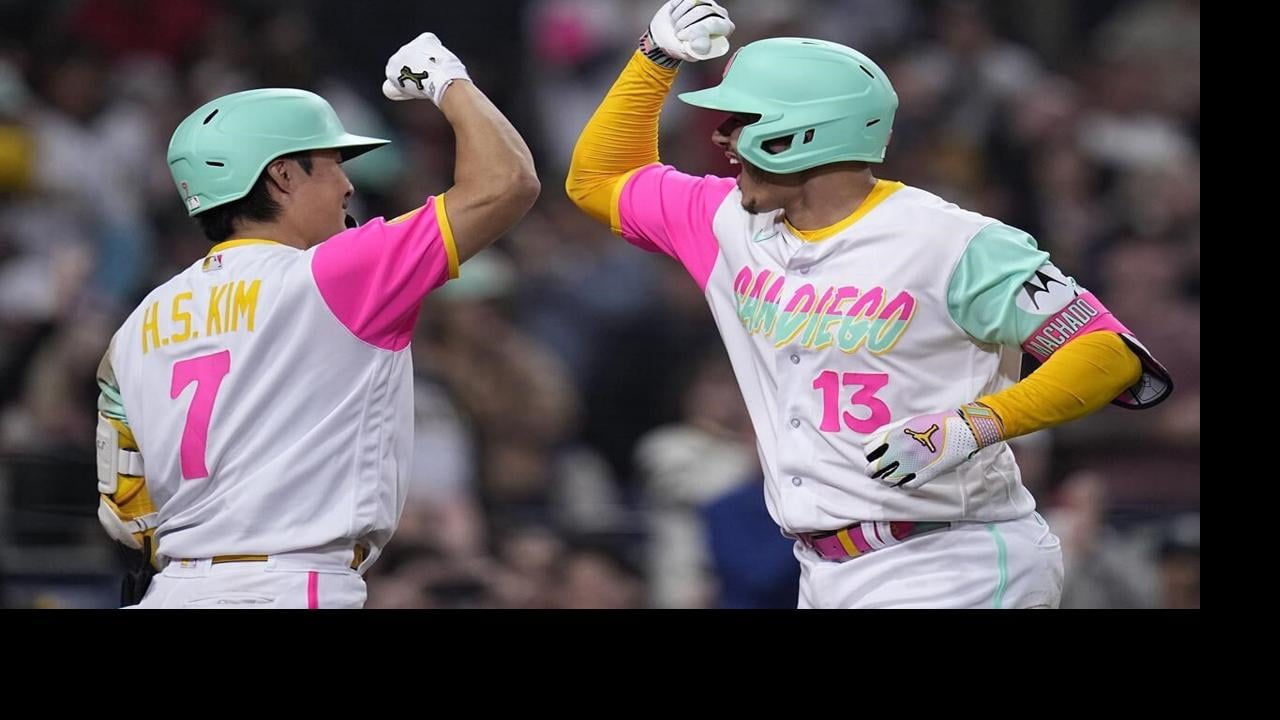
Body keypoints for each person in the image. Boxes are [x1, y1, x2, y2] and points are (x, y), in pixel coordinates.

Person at [565, 0, 1172, 608]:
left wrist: (973, 426)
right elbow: (597, 180)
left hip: (953, 559)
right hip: (823, 570)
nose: (721, 136)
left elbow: (1111, 355)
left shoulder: (955, 242)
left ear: (802, 133)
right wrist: (653, 60)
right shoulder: (726, 222)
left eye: (741, 119)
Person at [94, 32, 539, 608]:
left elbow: (123, 508)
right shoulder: (332, 276)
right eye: (332, 163)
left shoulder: (136, 324)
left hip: (172, 589)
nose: (348, 184)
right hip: (288, 584)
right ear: (282, 175)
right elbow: (509, 181)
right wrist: (446, 79)